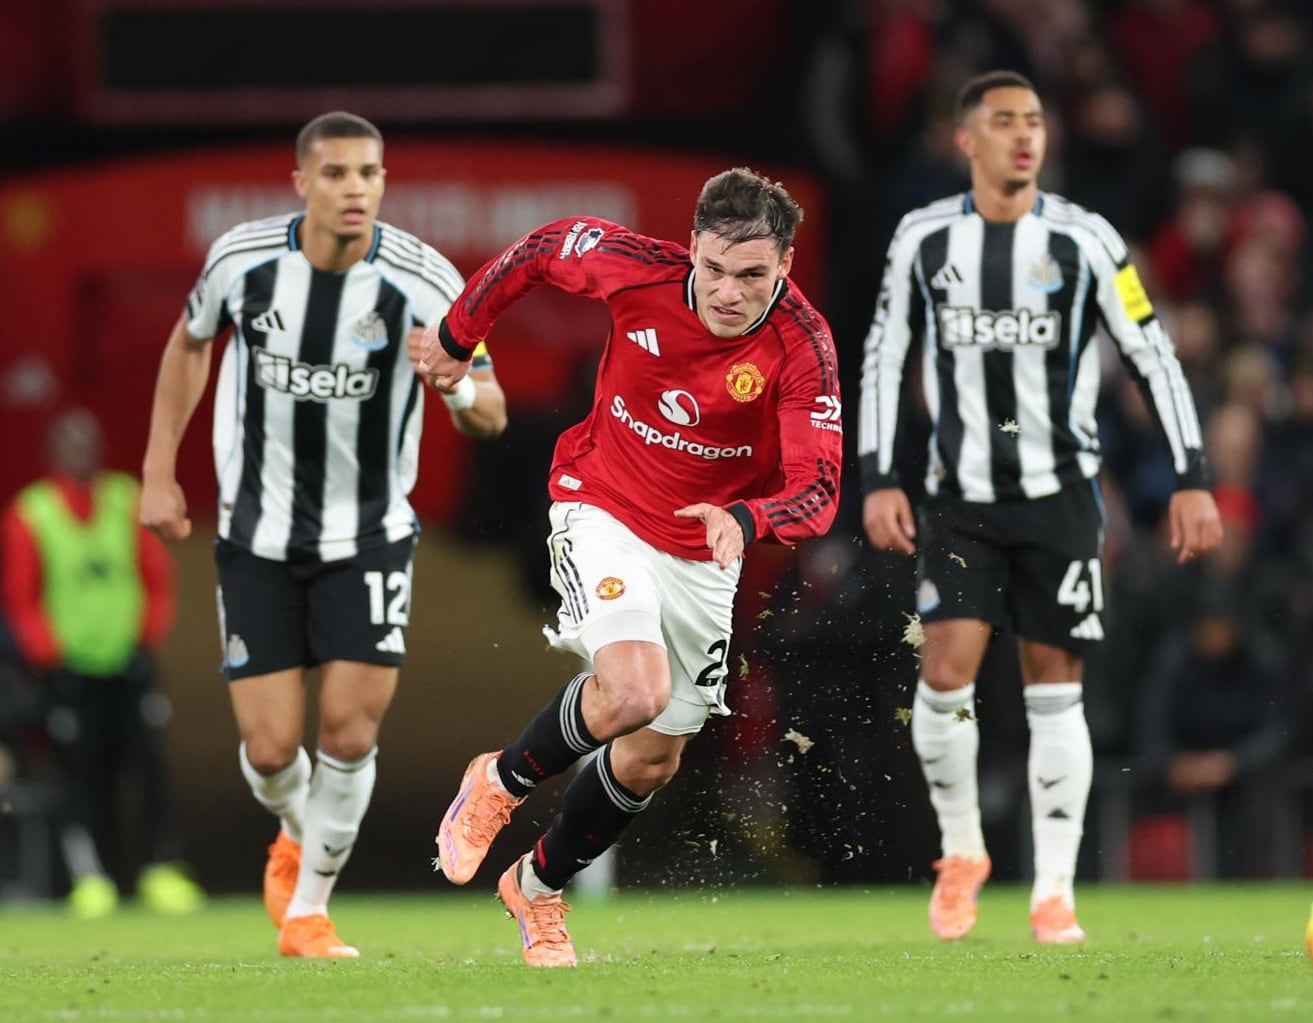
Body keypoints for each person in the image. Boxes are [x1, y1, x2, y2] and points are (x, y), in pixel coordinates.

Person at [417, 167, 842, 967]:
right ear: (691, 249)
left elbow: (817, 490)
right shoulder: (631, 265)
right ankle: (500, 784)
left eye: (751, 275)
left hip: (703, 548)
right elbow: (540, 250)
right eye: (712, 268)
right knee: (634, 689)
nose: (726, 291)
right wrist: (454, 334)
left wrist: (747, 517)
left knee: (653, 753)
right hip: (600, 504)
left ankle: (536, 890)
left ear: (783, 266)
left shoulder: (801, 344)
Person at [858, 70, 1223, 944]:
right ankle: (961, 853)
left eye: (1034, 122)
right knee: (943, 675)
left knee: (1055, 691)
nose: (1024, 137)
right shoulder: (922, 239)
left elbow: (1152, 351)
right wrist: (877, 473)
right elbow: (882, 354)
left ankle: (1053, 890)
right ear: (966, 140)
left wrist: (1192, 471)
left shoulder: (1087, 239)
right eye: (1004, 122)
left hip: (1059, 499)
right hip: (958, 502)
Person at [138, 112, 507, 957]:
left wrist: (450, 386)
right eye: (337, 173)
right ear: (300, 181)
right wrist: (160, 469)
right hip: (256, 537)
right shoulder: (242, 260)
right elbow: (189, 344)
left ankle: (308, 911)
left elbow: (492, 408)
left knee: (347, 731)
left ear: (384, 181)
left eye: (369, 173)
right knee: (270, 749)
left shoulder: (426, 280)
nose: (355, 189)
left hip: (369, 536)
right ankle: (297, 834)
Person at [1, 408, 205, 917]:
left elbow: (156, 579)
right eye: (71, 441)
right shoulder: (32, 512)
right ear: (54, 451)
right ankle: (90, 878)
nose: (82, 451)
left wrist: (145, 638)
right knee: (79, 777)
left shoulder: (124, 500)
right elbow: (22, 597)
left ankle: (162, 870)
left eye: (89, 441)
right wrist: (47, 656)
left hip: (129, 666)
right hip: (68, 674)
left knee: (150, 768)